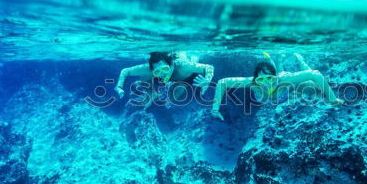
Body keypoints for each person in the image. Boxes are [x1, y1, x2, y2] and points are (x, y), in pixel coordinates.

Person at [210, 52, 344, 120]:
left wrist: (332, 99)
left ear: (275, 78)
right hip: (276, 89)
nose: (267, 82)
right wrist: (215, 109)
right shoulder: (251, 82)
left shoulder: (283, 79)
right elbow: (222, 82)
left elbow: (314, 73)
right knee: (278, 70)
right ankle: (278, 58)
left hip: (285, 88)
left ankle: (300, 61)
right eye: (261, 79)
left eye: (270, 78)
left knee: (312, 87)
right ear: (256, 79)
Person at [115, 52, 214, 108]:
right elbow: (125, 71)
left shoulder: (183, 66)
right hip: (166, 78)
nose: (163, 74)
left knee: (173, 99)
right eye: (158, 71)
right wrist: (119, 87)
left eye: (166, 69)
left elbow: (209, 68)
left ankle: (193, 60)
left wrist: (207, 81)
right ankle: (152, 94)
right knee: (146, 79)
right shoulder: (149, 69)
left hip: (186, 77)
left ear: (170, 65)